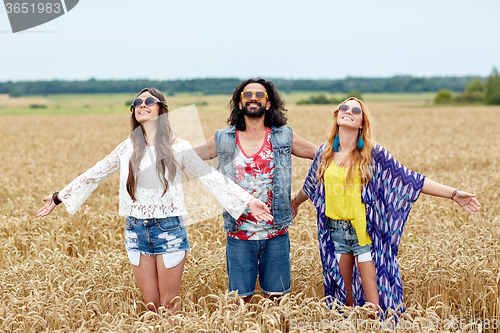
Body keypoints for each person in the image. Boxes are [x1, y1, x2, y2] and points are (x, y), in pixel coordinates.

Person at [36, 88, 273, 314]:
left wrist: (248, 200)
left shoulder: (178, 147)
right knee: (151, 307)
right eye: (137, 103)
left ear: (162, 110)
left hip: (168, 229)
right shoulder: (128, 147)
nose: (142, 106)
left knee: (170, 307)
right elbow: (94, 173)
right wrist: (58, 197)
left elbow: (208, 176)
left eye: (149, 102)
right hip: (135, 230)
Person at [291, 97, 480, 313]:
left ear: (362, 123)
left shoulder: (373, 154)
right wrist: (294, 203)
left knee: (374, 305)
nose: (348, 111)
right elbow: (310, 186)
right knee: (342, 302)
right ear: (337, 115)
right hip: (336, 236)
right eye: (344, 107)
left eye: (355, 110)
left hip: (364, 235)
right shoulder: (324, 153)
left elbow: (410, 179)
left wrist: (453, 194)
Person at [195, 78, 318, 302]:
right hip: (239, 233)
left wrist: (300, 198)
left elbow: (322, 156)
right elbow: (190, 157)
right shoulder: (224, 138)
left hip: (276, 234)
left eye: (259, 95)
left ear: (268, 104)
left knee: (277, 300)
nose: (253, 98)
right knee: (240, 302)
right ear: (240, 103)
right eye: (247, 95)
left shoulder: (283, 136)